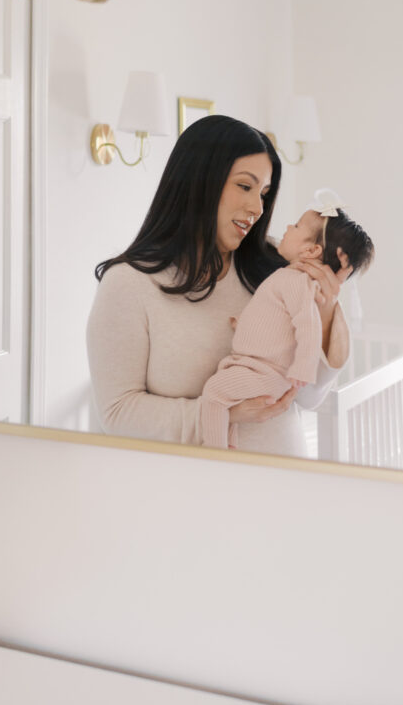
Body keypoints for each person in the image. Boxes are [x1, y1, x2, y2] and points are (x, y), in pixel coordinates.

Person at [86, 115, 352, 457]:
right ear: (199, 182)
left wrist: (326, 312)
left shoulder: (276, 270)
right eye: (245, 186)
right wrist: (220, 413)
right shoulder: (128, 285)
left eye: (264, 194)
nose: (257, 208)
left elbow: (309, 397)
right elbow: (117, 413)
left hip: (286, 485)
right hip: (197, 493)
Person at [200, 207, 374, 450]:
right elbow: (274, 320)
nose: (287, 228)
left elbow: (308, 325)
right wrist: (244, 324)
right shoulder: (288, 277)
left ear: (311, 250)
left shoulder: (295, 281)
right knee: (224, 390)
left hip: (265, 373)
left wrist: (303, 366)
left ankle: (214, 454)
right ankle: (228, 443)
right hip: (259, 369)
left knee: (214, 393)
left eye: (295, 226)